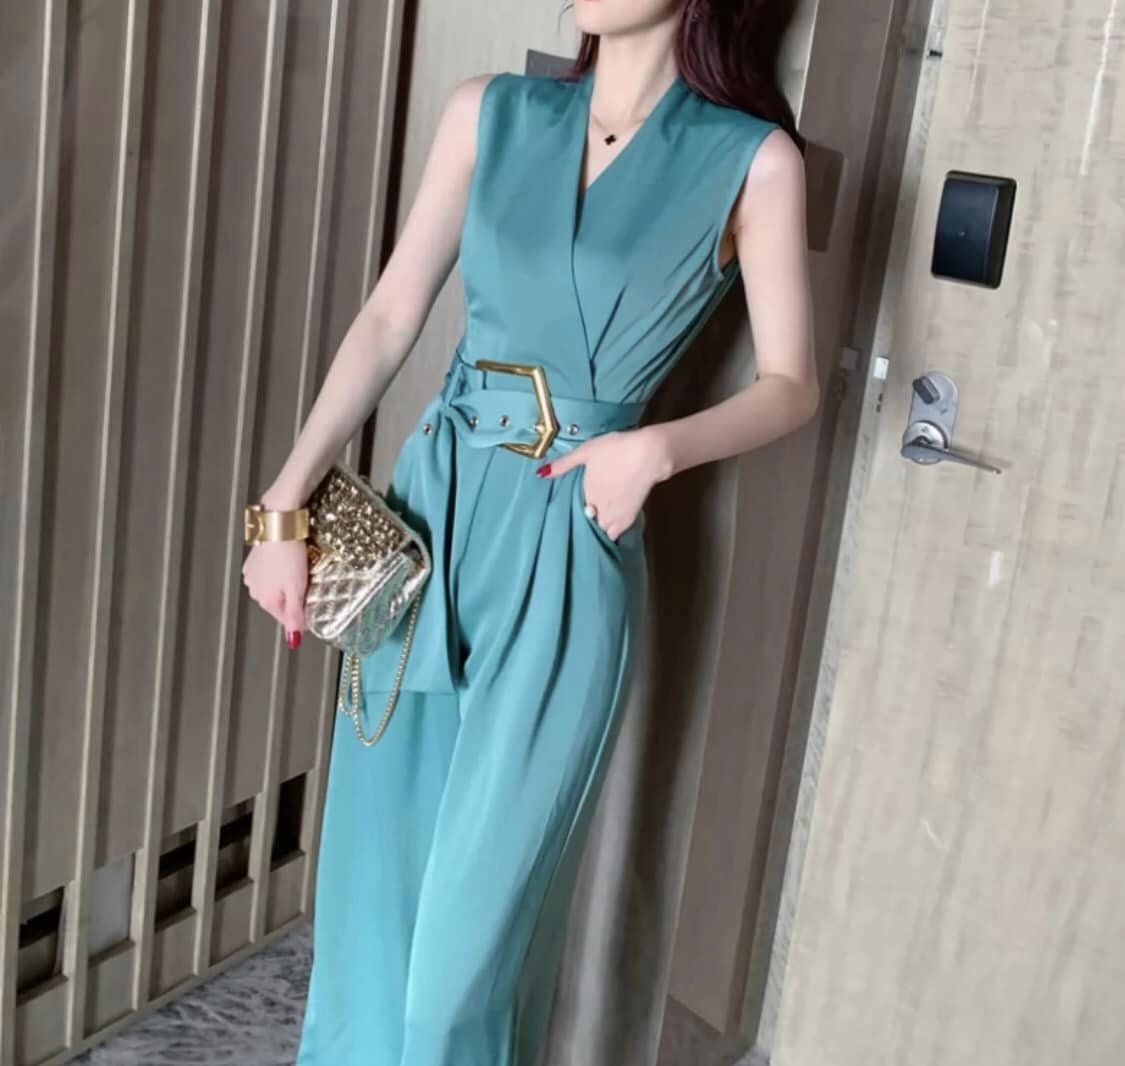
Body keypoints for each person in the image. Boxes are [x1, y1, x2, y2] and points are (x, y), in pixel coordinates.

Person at [241, 1, 816, 1062]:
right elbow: (390, 315)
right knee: (371, 911)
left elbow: (792, 384)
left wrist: (657, 450)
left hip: (570, 538)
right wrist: (283, 507)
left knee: (463, 965)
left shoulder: (754, 163)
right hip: (430, 520)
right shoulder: (490, 113)